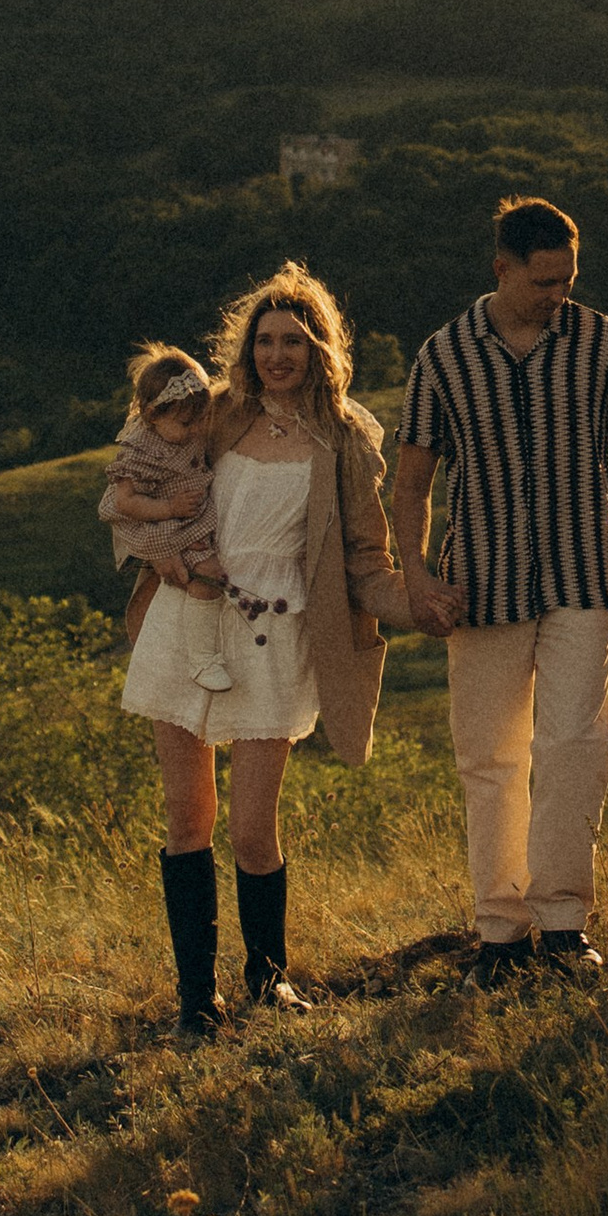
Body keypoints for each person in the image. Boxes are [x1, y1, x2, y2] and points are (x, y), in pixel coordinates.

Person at [393, 193, 608, 984]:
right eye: (543, 281)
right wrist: (416, 576)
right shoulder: (444, 355)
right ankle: (499, 933)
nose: (558, 294)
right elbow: (413, 480)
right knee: (489, 759)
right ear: (502, 269)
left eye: (567, 279)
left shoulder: (601, 342)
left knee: (574, 747)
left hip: (584, 573)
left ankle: (563, 925)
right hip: (481, 583)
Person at [122, 265, 407, 1036]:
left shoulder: (344, 438)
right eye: (265, 339)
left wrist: (420, 602)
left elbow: (364, 558)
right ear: (248, 346)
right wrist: (168, 553)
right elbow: (128, 484)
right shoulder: (213, 414)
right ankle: (195, 999)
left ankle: (268, 978)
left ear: (320, 348)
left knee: (252, 827)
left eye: (294, 340)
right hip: (187, 620)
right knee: (188, 817)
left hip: (275, 638)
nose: (278, 353)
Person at [100, 344, 236, 699]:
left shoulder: (185, 433)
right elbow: (123, 502)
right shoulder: (141, 451)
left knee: (210, 573)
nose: (195, 430)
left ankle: (208, 646)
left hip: (186, 520)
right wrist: (170, 508)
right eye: (185, 423)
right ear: (151, 416)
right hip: (162, 526)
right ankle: (202, 658)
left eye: (201, 419)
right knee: (209, 576)